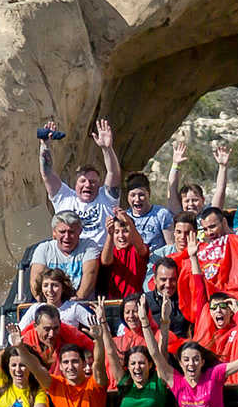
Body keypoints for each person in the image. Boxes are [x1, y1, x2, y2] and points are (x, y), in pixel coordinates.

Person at [14, 311, 111, 407]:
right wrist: (20, 348)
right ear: (60, 366)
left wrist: (98, 340)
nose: (70, 366)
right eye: (66, 362)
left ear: (84, 364)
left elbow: (98, 364)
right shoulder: (56, 385)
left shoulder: (95, 384)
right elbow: (35, 367)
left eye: (75, 362)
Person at [169, 207, 238, 325]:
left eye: (212, 227)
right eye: (205, 229)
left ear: (224, 222)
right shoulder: (207, 246)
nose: (209, 233)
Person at [40, 117, 121, 250]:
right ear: (75, 184)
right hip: (70, 256)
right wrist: (45, 146)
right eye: (83, 181)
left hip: (100, 258)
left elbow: (113, 172)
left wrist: (107, 149)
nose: (88, 185)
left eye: (93, 182)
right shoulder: (64, 197)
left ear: (99, 184)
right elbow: (47, 173)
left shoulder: (106, 198)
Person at [114, 319, 175, 407]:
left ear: (150, 365)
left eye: (142, 363)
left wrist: (160, 324)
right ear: (128, 367)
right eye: (133, 363)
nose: (137, 367)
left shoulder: (158, 382)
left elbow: (159, 353)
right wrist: (104, 325)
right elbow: (111, 354)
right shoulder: (124, 383)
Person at [29, 211, 100, 299]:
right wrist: (42, 301)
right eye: (62, 232)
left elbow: (90, 274)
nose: (67, 237)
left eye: (71, 232)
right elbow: (36, 280)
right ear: (54, 233)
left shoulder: (89, 246)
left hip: (80, 303)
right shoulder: (44, 249)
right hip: (50, 304)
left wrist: (78, 299)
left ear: (80, 231)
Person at [165, 137, 231, 216]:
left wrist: (223, 166)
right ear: (181, 203)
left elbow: (220, 190)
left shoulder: (208, 215)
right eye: (186, 201)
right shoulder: (179, 214)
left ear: (203, 200)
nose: (191, 204)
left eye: (195, 200)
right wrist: (175, 164)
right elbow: (171, 190)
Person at [19, 267, 97, 333]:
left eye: (55, 285)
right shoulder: (35, 309)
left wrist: (101, 320)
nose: (50, 290)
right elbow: (17, 333)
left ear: (63, 288)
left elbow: (101, 328)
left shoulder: (74, 308)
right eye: (45, 285)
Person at [19, 304, 93, 371]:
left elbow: (94, 349)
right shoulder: (25, 341)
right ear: (35, 326)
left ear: (60, 324)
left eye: (56, 328)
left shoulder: (70, 333)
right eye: (47, 329)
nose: (51, 334)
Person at [99, 209, 151, 300]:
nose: (121, 236)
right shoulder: (110, 251)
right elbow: (105, 261)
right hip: (114, 303)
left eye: (125, 231)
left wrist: (129, 222)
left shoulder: (136, 250)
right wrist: (110, 234)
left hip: (136, 301)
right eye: (117, 232)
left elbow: (140, 247)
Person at [140, 258, 193, 341]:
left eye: (172, 279)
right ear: (154, 280)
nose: (168, 284)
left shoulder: (186, 299)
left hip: (181, 350)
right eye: (163, 279)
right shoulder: (144, 302)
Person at [121, 171, 175, 251]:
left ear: (148, 193)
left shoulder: (162, 214)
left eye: (141, 195)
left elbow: (171, 246)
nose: (137, 199)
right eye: (133, 195)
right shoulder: (124, 217)